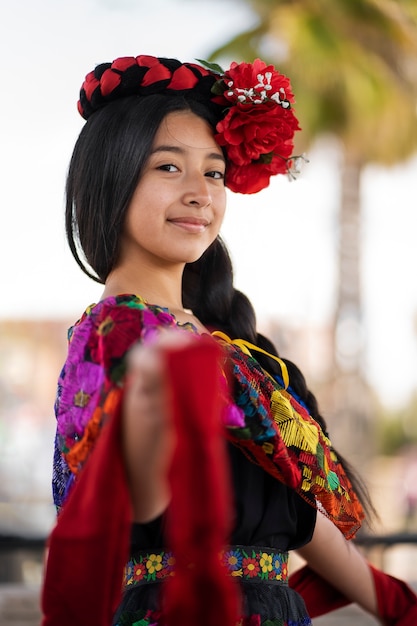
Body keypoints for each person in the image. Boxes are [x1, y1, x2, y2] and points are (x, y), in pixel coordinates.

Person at [41, 54, 417, 626]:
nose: (200, 193)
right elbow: (137, 504)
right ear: (109, 179)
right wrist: (152, 410)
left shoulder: (239, 346)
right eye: (168, 168)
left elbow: (296, 517)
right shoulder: (111, 336)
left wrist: (394, 603)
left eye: (214, 172)